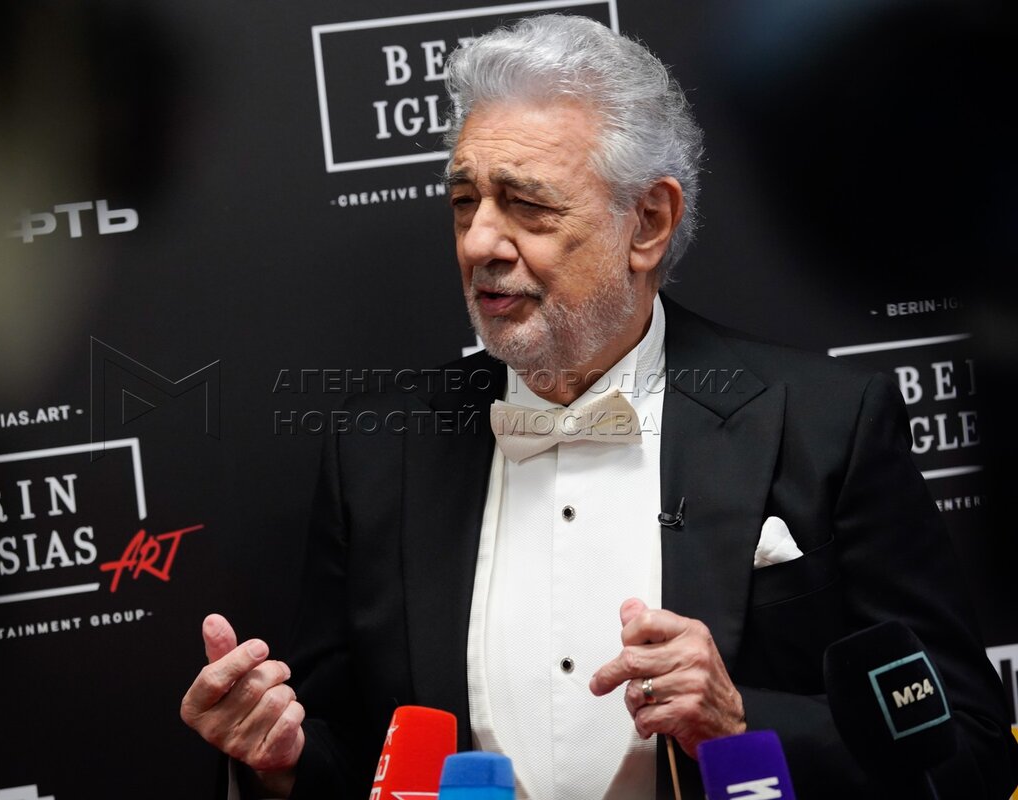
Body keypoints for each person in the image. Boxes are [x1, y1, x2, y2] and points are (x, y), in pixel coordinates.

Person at [180, 14, 1018, 799]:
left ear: (647, 222)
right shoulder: (377, 453)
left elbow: (968, 746)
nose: (480, 241)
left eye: (527, 204)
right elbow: (352, 754)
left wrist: (740, 723)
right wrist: (281, 763)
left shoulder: (827, 422)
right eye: (466, 201)